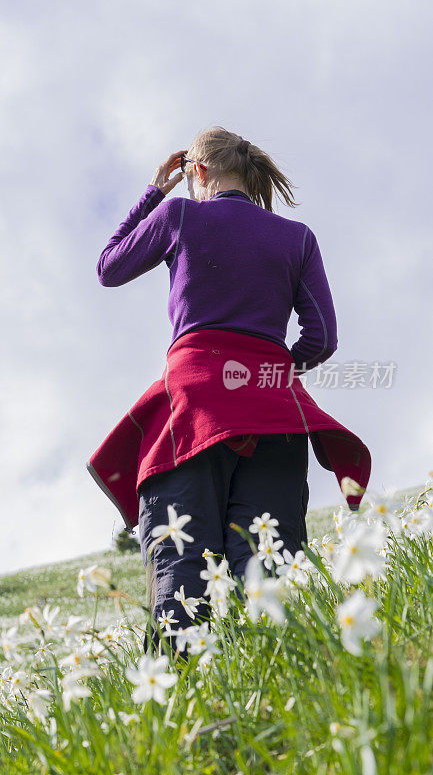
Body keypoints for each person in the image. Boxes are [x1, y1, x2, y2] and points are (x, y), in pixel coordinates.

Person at [86, 125, 371, 653]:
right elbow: (323, 337)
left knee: (183, 568)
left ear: (197, 172)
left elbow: (109, 267)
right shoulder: (298, 238)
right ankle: (284, 684)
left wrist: (154, 191)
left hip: (192, 410)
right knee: (268, 563)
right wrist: (267, 374)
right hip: (276, 412)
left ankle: (181, 706)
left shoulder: (179, 215)